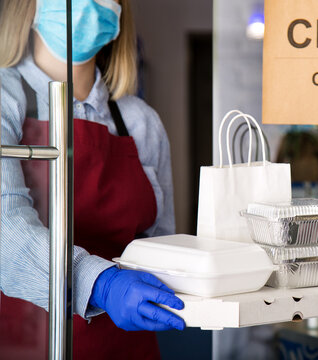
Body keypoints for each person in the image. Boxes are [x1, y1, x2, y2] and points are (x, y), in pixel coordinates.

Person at [0, 0, 185, 358]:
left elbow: (162, 247)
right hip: (24, 344)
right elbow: (5, 233)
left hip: (127, 345)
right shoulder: (6, 100)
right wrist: (102, 284)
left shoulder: (140, 122)